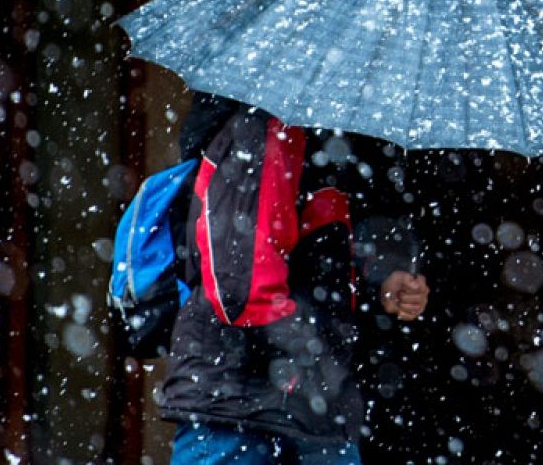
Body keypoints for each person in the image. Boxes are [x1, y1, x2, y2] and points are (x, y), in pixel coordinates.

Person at [159, 93, 432, 464]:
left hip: (298, 403)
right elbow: (241, 286)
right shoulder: (262, 128)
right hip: (241, 398)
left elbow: (329, 249)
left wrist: (382, 279)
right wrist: (311, 353)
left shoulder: (327, 137)